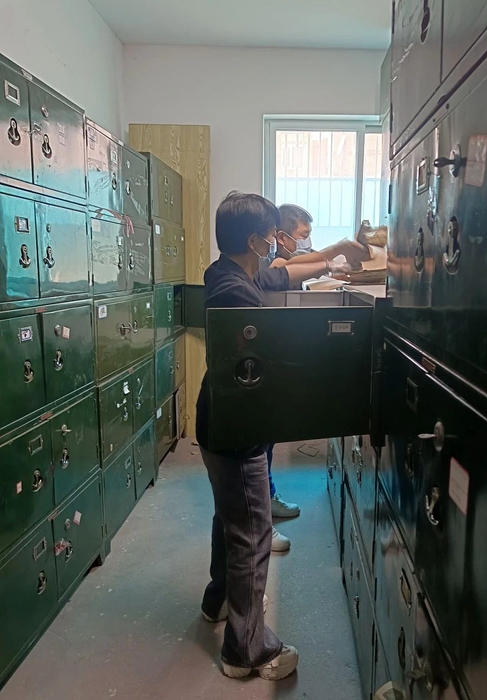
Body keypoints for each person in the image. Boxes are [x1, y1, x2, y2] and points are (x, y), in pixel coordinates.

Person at [197, 191, 351, 680]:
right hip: (238, 429)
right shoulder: (236, 294)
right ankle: (247, 651)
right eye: (271, 236)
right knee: (251, 534)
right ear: (254, 241)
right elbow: (267, 360)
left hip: (219, 421)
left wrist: (331, 256)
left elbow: (282, 274)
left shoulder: (227, 273)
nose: (275, 244)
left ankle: (218, 600)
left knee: (230, 518)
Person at [264, 205, 371, 554]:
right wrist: (333, 254)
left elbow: (301, 265)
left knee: (265, 441)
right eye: (303, 235)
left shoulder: (288, 261)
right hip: (266, 363)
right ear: (280, 237)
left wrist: (330, 262)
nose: (307, 242)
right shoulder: (271, 265)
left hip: (278, 359)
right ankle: (260, 517)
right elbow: (284, 270)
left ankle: (267, 496)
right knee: (257, 444)